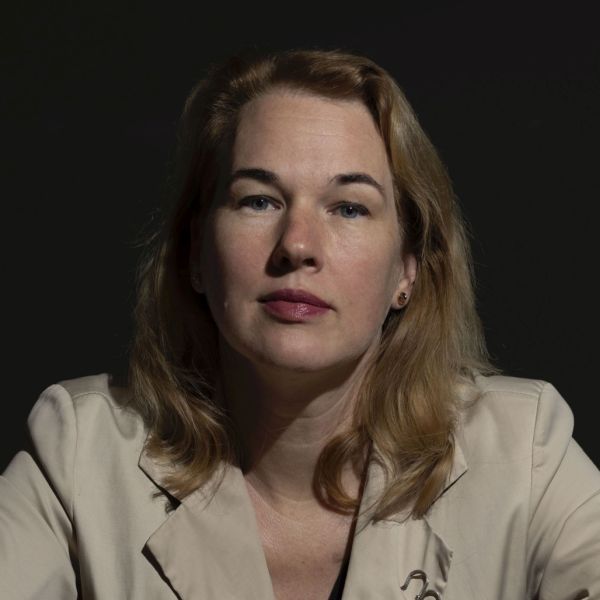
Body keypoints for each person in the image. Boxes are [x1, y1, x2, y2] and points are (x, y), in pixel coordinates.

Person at [1, 47, 599, 600]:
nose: (297, 245)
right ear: (195, 253)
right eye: (258, 200)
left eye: (349, 208)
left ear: (407, 269)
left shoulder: (525, 455)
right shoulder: (78, 455)